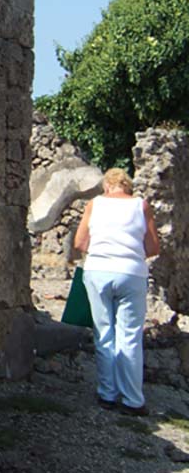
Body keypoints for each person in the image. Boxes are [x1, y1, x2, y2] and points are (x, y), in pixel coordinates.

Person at [74, 167, 160, 415]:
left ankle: (107, 394)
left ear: (107, 185)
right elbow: (153, 247)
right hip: (131, 272)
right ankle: (132, 399)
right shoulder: (141, 206)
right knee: (129, 336)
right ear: (127, 186)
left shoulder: (94, 204)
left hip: (98, 270)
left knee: (104, 333)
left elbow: (80, 242)